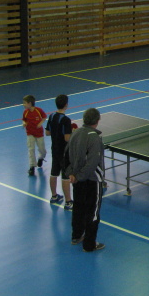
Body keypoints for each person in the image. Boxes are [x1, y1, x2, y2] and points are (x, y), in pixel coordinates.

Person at [63, 107, 106, 252]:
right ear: (97, 120)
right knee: (93, 212)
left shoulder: (75, 133)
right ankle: (89, 244)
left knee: (79, 208)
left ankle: (76, 236)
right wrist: (79, 176)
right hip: (92, 181)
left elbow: (66, 155)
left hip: (77, 180)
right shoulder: (95, 138)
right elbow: (92, 163)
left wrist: (71, 174)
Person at [45, 94, 74, 209]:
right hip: (64, 152)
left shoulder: (52, 116)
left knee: (54, 173)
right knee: (65, 176)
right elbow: (67, 138)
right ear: (66, 105)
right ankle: (68, 202)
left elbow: (47, 133)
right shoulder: (66, 120)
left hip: (55, 149)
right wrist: (73, 133)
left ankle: (54, 196)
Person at [22, 95, 47, 176]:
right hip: (30, 133)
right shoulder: (25, 112)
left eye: (25, 103)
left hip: (39, 133)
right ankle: (32, 166)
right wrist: (24, 123)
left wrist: (40, 123)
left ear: (30, 103)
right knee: (31, 149)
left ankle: (41, 158)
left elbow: (44, 117)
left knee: (42, 150)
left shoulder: (38, 110)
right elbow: (24, 119)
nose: (23, 105)